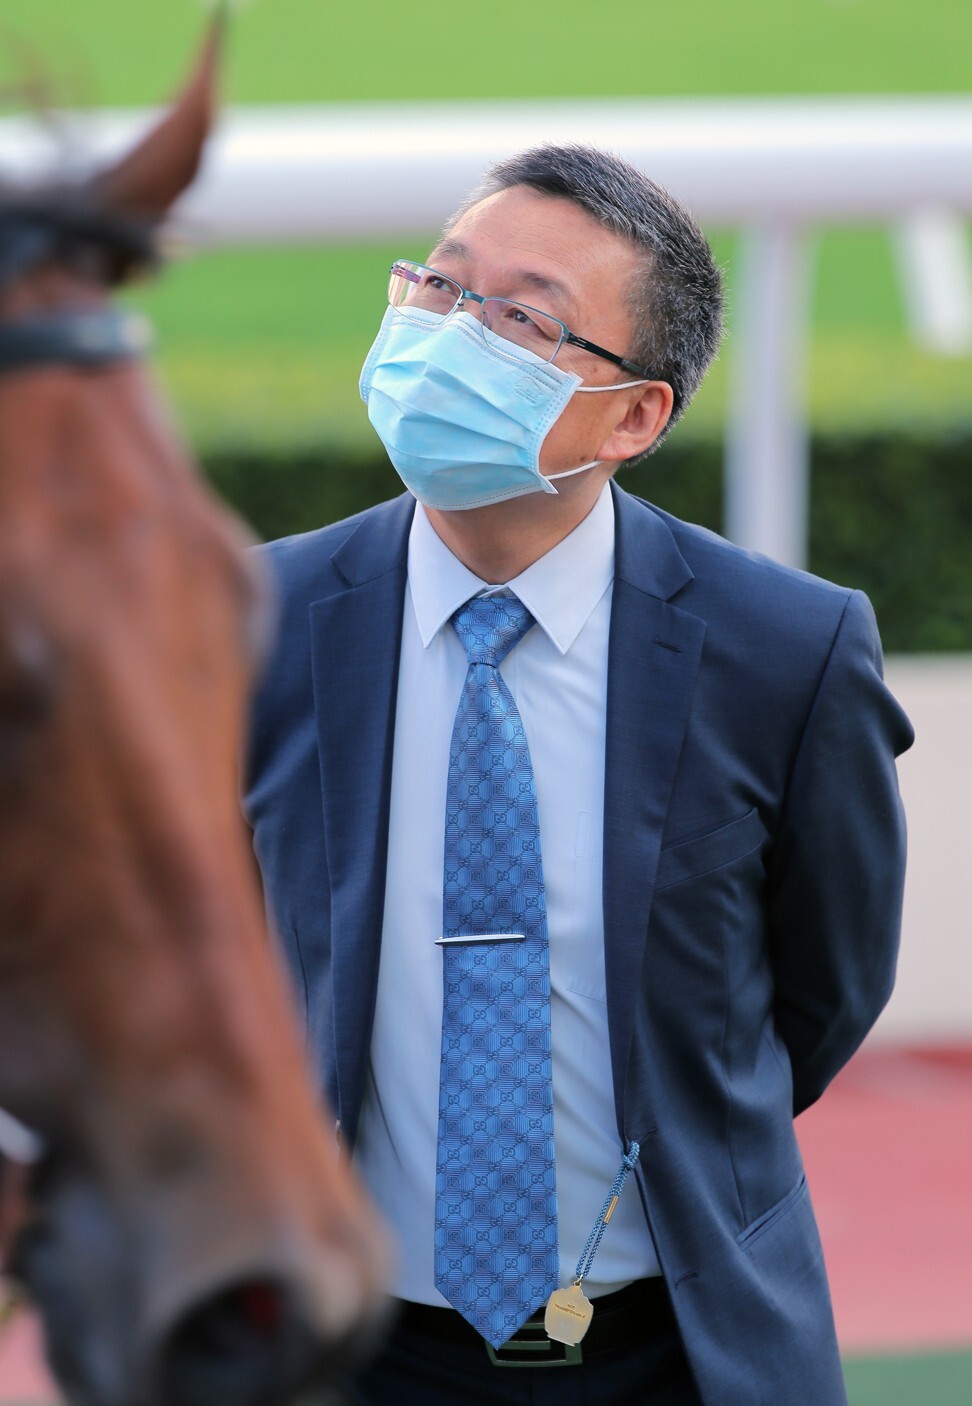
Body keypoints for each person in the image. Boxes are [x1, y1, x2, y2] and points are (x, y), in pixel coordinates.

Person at [244, 144, 913, 1406]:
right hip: (341, 1344)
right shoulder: (253, 624)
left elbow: (826, 989)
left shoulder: (785, 649)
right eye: (438, 289)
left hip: (683, 1348)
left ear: (636, 416)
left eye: (522, 318)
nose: (450, 337)